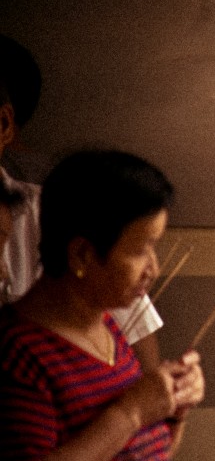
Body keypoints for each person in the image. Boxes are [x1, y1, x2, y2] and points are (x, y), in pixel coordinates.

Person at [0, 149, 205, 461]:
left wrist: (172, 408)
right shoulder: (19, 350)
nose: (153, 268)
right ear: (81, 255)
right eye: (141, 250)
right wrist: (132, 413)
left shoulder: (109, 329)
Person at [0, 34, 164, 370]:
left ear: (4, 125)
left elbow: (142, 366)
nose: (154, 268)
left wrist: (159, 405)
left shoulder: (52, 209)